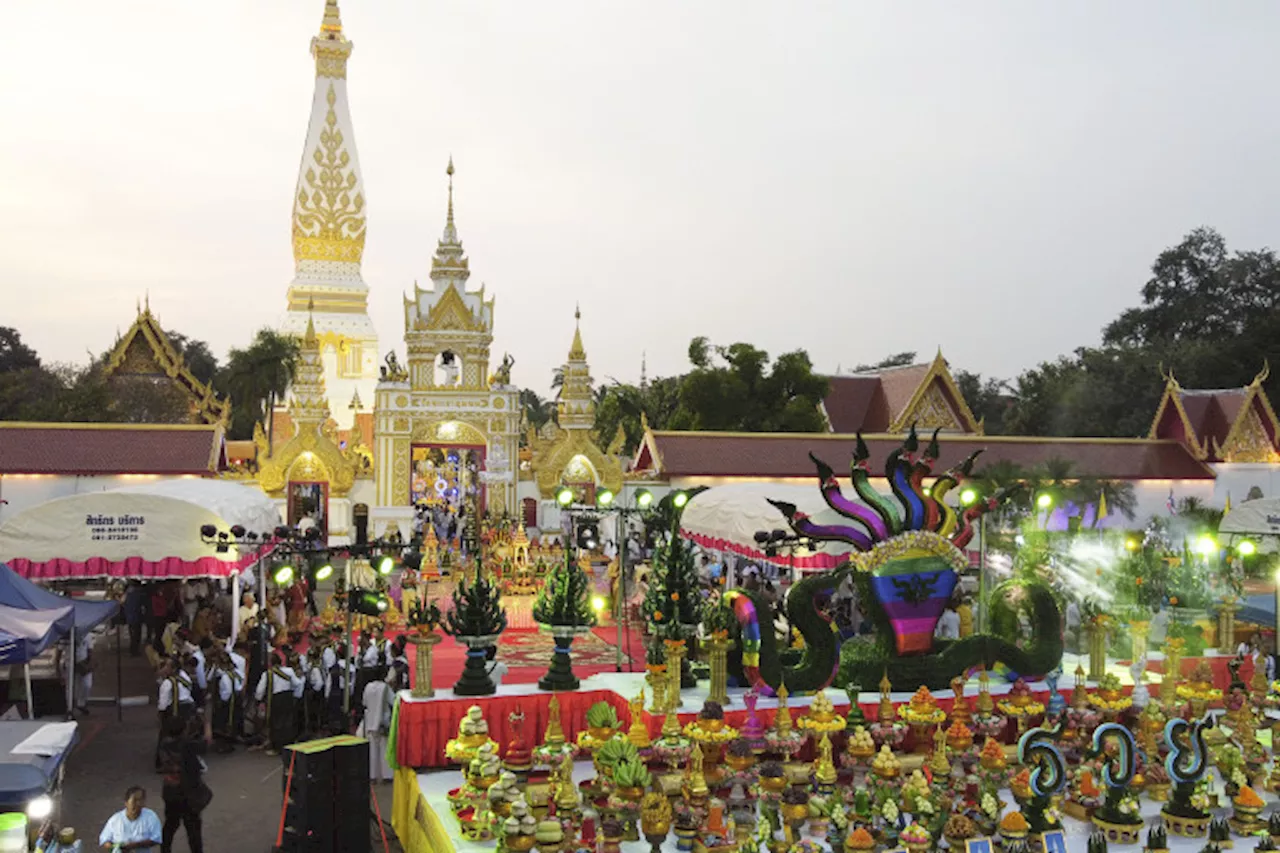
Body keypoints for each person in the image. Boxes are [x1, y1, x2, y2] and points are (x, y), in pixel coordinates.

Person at [157, 717, 209, 853]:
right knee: (193, 829)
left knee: (170, 824)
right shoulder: (188, 745)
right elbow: (205, 743)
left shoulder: (164, 744)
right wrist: (207, 726)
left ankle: (165, 850)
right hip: (188, 793)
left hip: (170, 791)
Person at [254, 652, 302, 755]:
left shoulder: (267, 674)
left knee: (276, 724)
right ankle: (289, 745)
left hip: (275, 699)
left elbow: (259, 690)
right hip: (288, 697)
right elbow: (297, 683)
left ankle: (277, 748)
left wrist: (258, 700)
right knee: (288, 722)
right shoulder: (288, 671)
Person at [359, 669, 397, 783]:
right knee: (385, 749)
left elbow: (364, 703)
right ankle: (387, 776)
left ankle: (372, 775)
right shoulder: (385, 688)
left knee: (372, 751)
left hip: (370, 722)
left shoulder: (368, 687)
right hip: (383, 722)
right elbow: (394, 701)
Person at [98, 786, 162, 851]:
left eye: (141, 800)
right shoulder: (116, 819)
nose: (138, 804)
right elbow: (104, 840)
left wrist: (135, 845)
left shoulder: (150, 817)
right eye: (134, 800)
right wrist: (115, 847)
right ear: (126, 802)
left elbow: (156, 839)